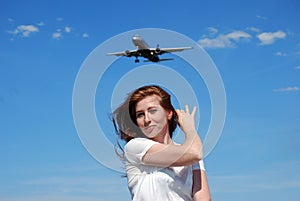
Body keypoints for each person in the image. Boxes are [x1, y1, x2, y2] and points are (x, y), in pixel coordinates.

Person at [112, 85, 211, 201]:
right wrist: (190, 129)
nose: (146, 119)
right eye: (140, 114)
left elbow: (203, 199)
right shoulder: (135, 147)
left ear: (169, 113)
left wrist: (190, 130)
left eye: (152, 111)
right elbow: (195, 154)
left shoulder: (192, 151)